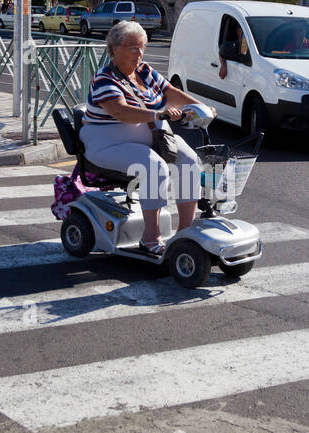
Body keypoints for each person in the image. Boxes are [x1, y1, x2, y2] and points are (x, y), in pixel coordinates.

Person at [80, 20, 212, 256]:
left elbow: (170, 92)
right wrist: (157, 113)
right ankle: (151, 237)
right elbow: (121, 111)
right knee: (153, 166)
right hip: (108, 144)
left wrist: (201, 106)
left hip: (154, 137)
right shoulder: (104, 79)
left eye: (142, 47)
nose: (139, 53)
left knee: (190, 161)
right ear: (114, 48)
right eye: (133, 47)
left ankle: (185, 234)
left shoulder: (144, 71)